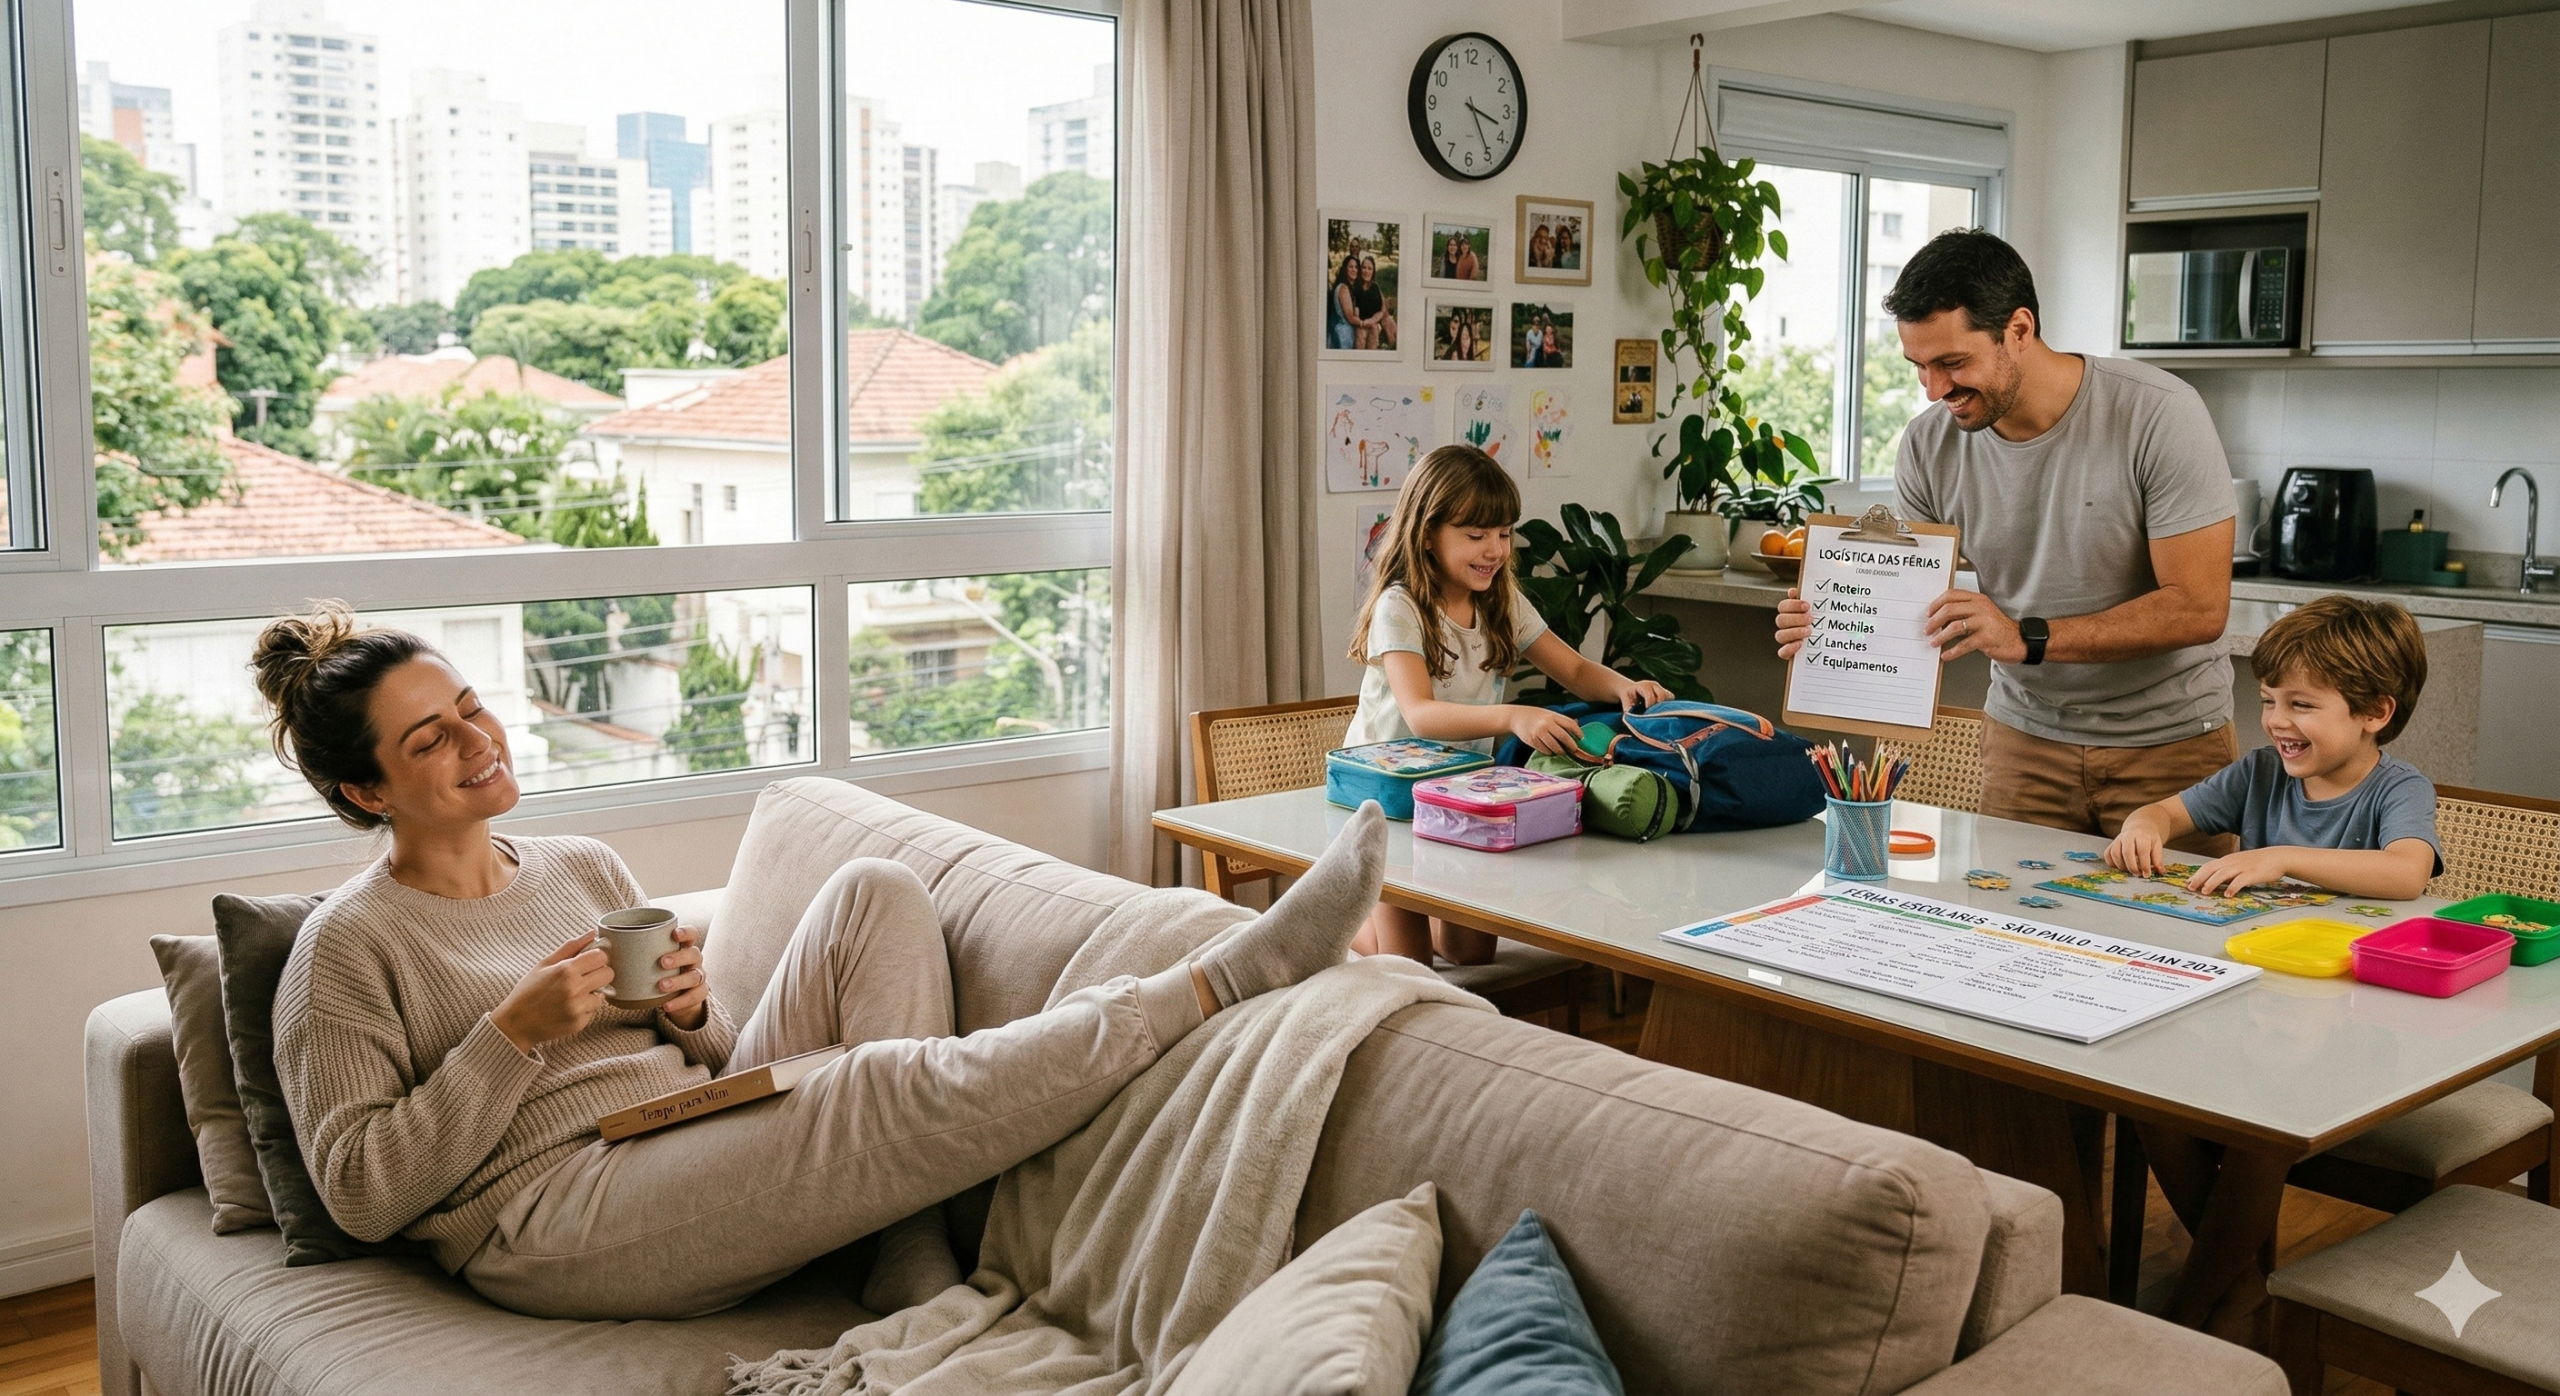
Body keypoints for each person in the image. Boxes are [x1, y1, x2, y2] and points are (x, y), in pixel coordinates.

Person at [257, 603, 1388, 1323]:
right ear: (367, 789)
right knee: (867, 1085)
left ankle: (899, 1247)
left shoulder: (577, 863)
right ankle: (1221, 977)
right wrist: (512, 1035)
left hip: (682, 1127)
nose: (477, 741)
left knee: (877, 893)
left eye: (468, 708)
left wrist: (696, 1012)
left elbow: (690, 1046)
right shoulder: (349, 948)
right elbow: (360, 1191)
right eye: (430, 740)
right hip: (553, 1214)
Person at [1774, 229, 2240, 847]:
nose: (1935, 390)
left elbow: (2199, 608)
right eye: (1919, 367)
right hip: (2023, 741)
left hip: (2169, 746)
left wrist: (2026, 638)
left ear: (2019, 329)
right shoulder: (1928, 442)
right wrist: (1831, 623)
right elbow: (1896, 598)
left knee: (2161, 940)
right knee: (2003, 938)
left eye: (1953, 363)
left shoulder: (2159, 413)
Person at [1344, 445, 1673, 966]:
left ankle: (1378, 912)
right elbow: (1421, 714)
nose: (1494, 550)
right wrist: (1514, 716)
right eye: (1475, 536)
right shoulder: (1400, 606)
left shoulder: (1502, 600)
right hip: (1389, 801)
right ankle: (1340, 920)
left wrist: (1625, 686)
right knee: (1409, 967)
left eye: (1503, 533)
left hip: (1456, 793)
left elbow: (1577, 671)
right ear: (1428, 534)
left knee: (1470, 952)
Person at [2107, 594, 2439, 900]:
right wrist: (2143, 827)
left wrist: (2281, 858)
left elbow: (2408, 874)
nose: (2276, 721)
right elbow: (2164, 813)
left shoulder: (2402, 789)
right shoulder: (2260, 772)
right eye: (2268, 701)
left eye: (2302, 705)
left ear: (2375, 712)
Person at [1352, 253, 1393, 351]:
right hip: (1360, 324)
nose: (1366, 271)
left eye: (1369, 269)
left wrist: (1371, 321)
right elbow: (1356, 311)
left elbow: (1381, 311)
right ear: (1360, 269)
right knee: (1361, 332)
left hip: (1373, 323)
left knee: (1374, 329)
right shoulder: (1356, 287)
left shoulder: (1375, 287)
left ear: (1373, 271)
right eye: (1364, 268)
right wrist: (1363, 323)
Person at [1327, 250, 1360, 351]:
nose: (1354, 269)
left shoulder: (1352, 288)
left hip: (1346, 332)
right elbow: (1350, 317)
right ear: (1345, 269)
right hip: (1342, 334)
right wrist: (1366, 323)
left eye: (1356, 267)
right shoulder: (1343, 288)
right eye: (1350, 267)